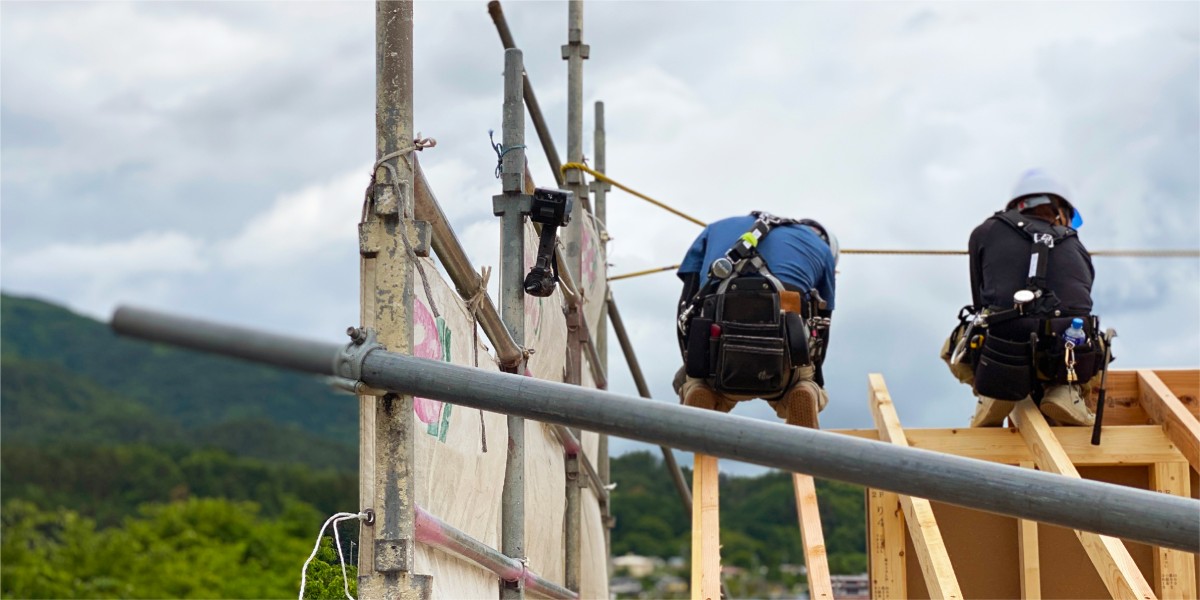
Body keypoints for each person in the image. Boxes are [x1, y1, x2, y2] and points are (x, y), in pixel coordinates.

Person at [944, 169, 1106, 427]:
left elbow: (981, 301)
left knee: (958, 339)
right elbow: (1080, 304)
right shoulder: (1076, 245)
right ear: (1060, 210)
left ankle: (991, 393)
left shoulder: (985, 232)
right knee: (1096, 340)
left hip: (1003, 352)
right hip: (1065, 354)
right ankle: (1066, 391)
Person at [673, 212, 837, 428]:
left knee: (701, 383)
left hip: (718, 343)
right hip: (784, 343)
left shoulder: (715, 228)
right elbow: (822, 328)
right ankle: (800, 391)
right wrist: (813, 378)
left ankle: (701, 390)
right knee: (803, 384)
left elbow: (686, 306)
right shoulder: (821, 249)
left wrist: (693, 366)